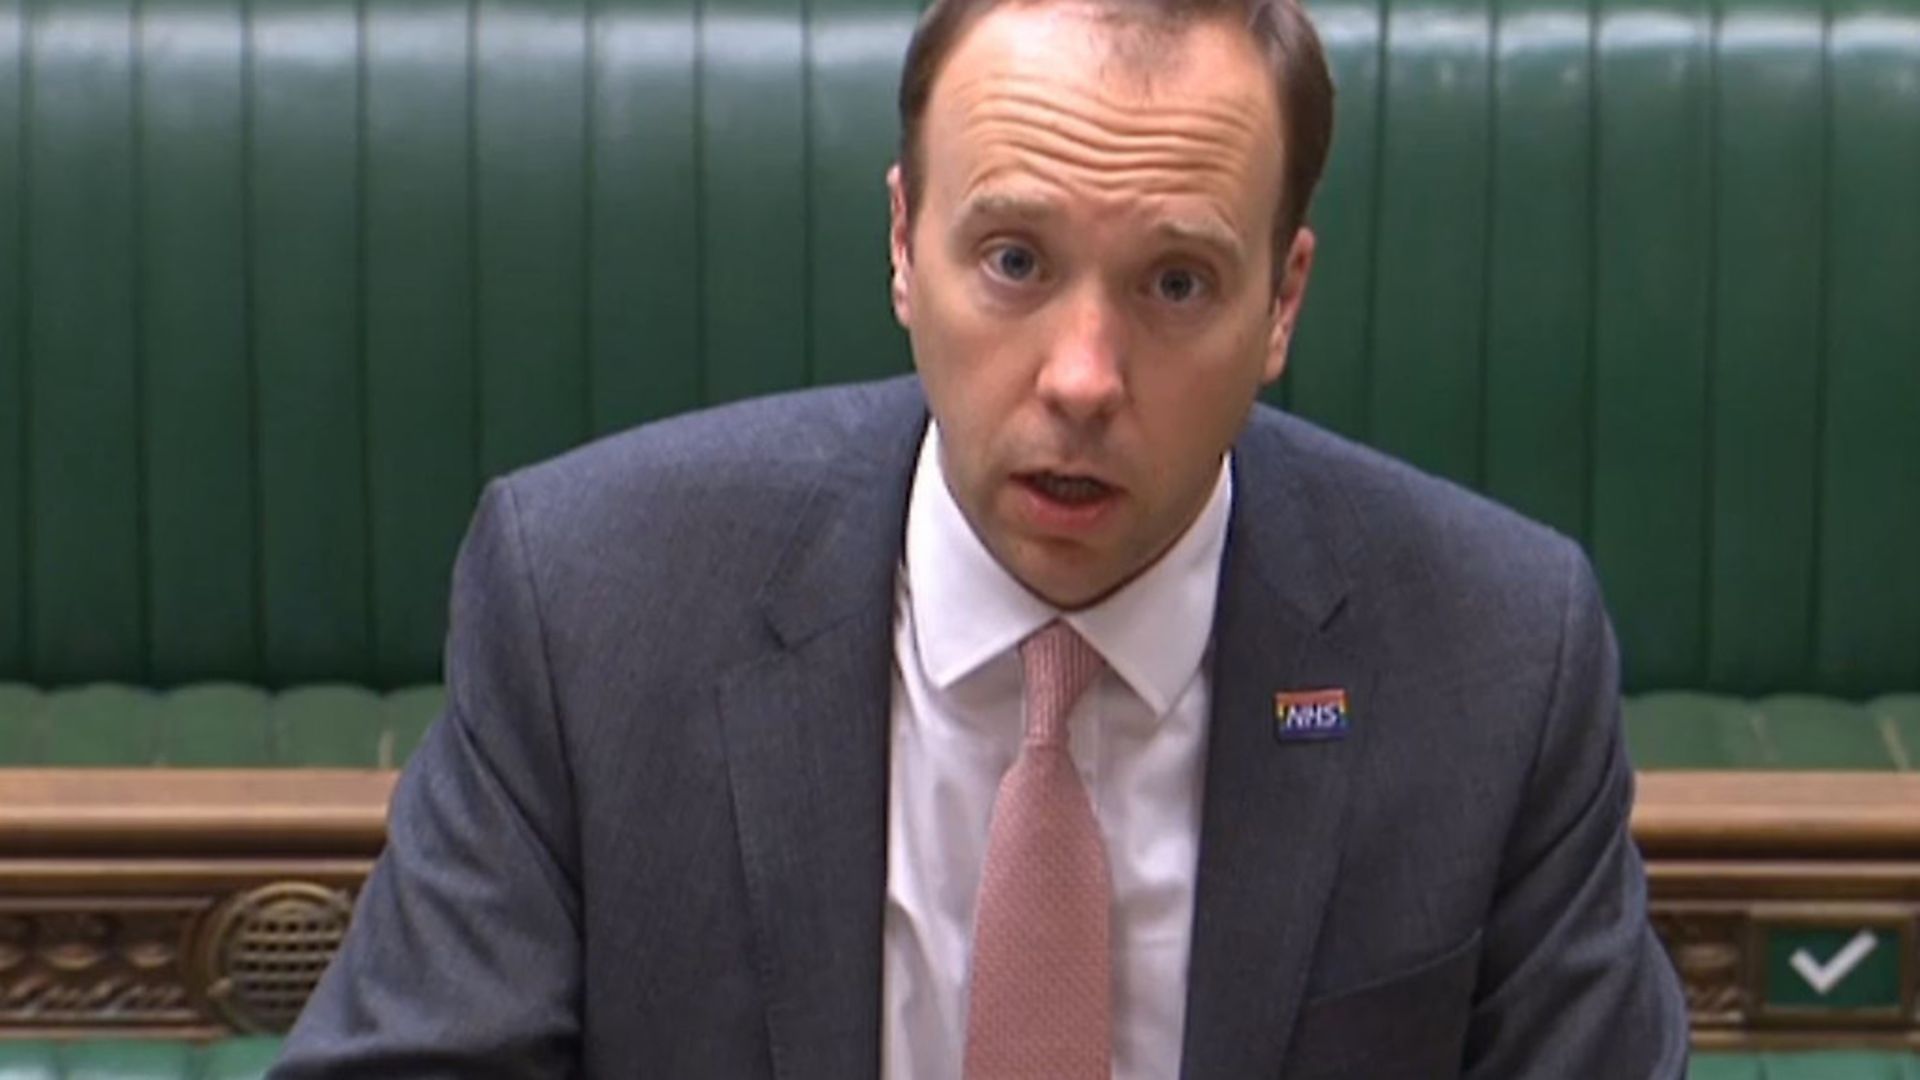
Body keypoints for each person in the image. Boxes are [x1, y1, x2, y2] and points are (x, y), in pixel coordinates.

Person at [272, 0, 1690, 1074]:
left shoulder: (1502, 657)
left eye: (1178, 282)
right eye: (1013, 261)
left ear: (1284, 302)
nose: (1081, 375)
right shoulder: (585, 600)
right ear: (904, 243)